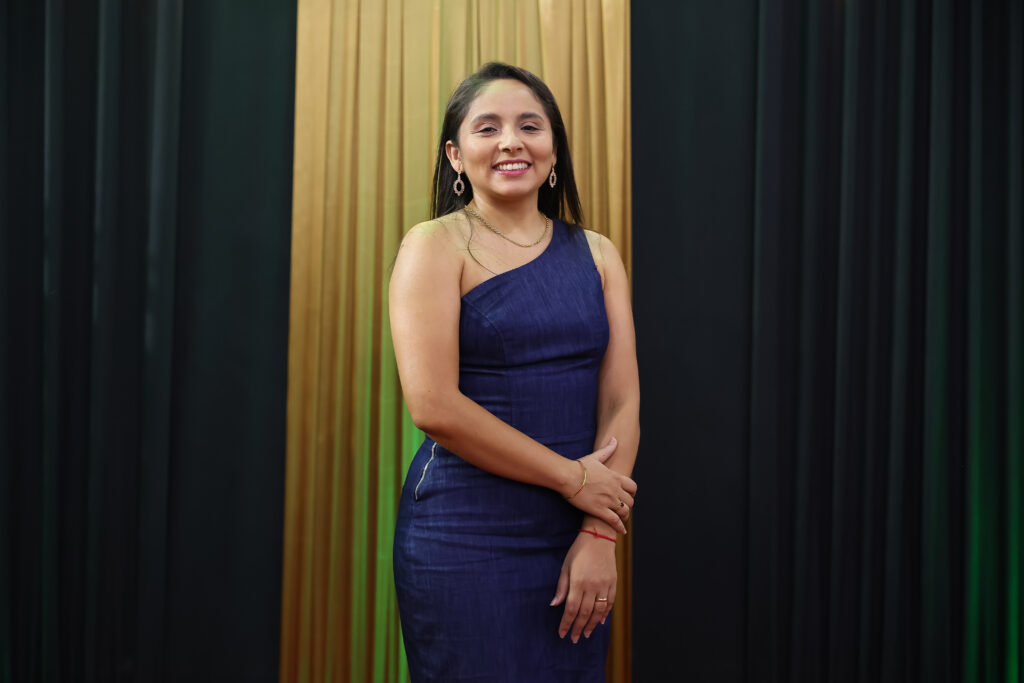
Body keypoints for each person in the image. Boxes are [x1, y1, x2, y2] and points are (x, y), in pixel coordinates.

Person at [390, 62, 640, 682]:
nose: (511, 142)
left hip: (576, 530)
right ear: (455, 155)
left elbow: (622, 401)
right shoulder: (434, 245)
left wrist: (599, 533)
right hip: (464, 532)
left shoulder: (598, 253)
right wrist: (572, 479)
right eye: (487, 128)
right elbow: (433, 406)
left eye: (530, 126)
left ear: (552, 149)